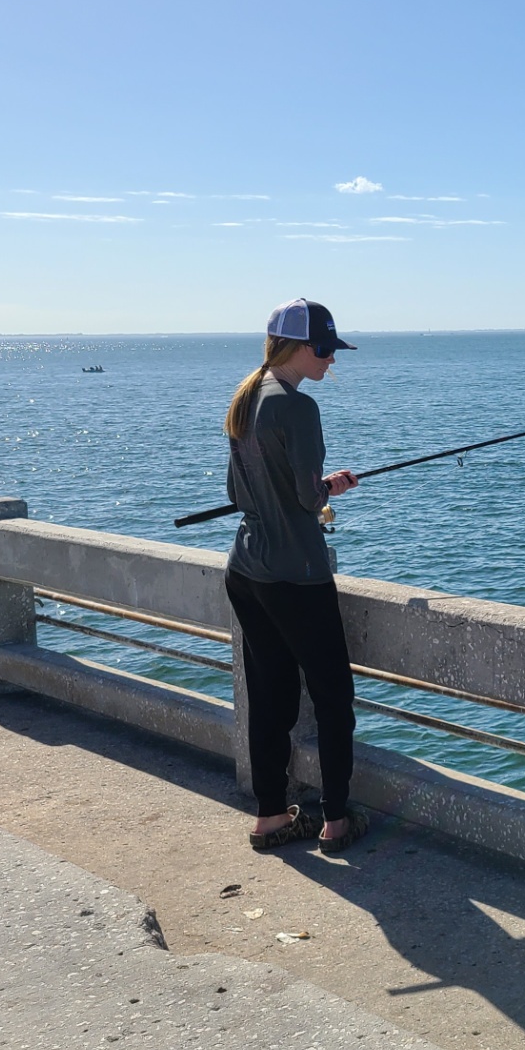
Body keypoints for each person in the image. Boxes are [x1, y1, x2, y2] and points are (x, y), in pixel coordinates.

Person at [223, 298, 367, 856]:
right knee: (333, 696)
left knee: (270, 696)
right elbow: (308, 499)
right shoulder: (298, 407)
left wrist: (304, 489)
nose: (331, 360)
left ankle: (269, 818)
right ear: (300, 348)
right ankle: (334, 822)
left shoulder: (246, 397)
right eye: (326, 349)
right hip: (297, 575)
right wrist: (329, 488)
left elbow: (237, 493)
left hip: (247, 570)